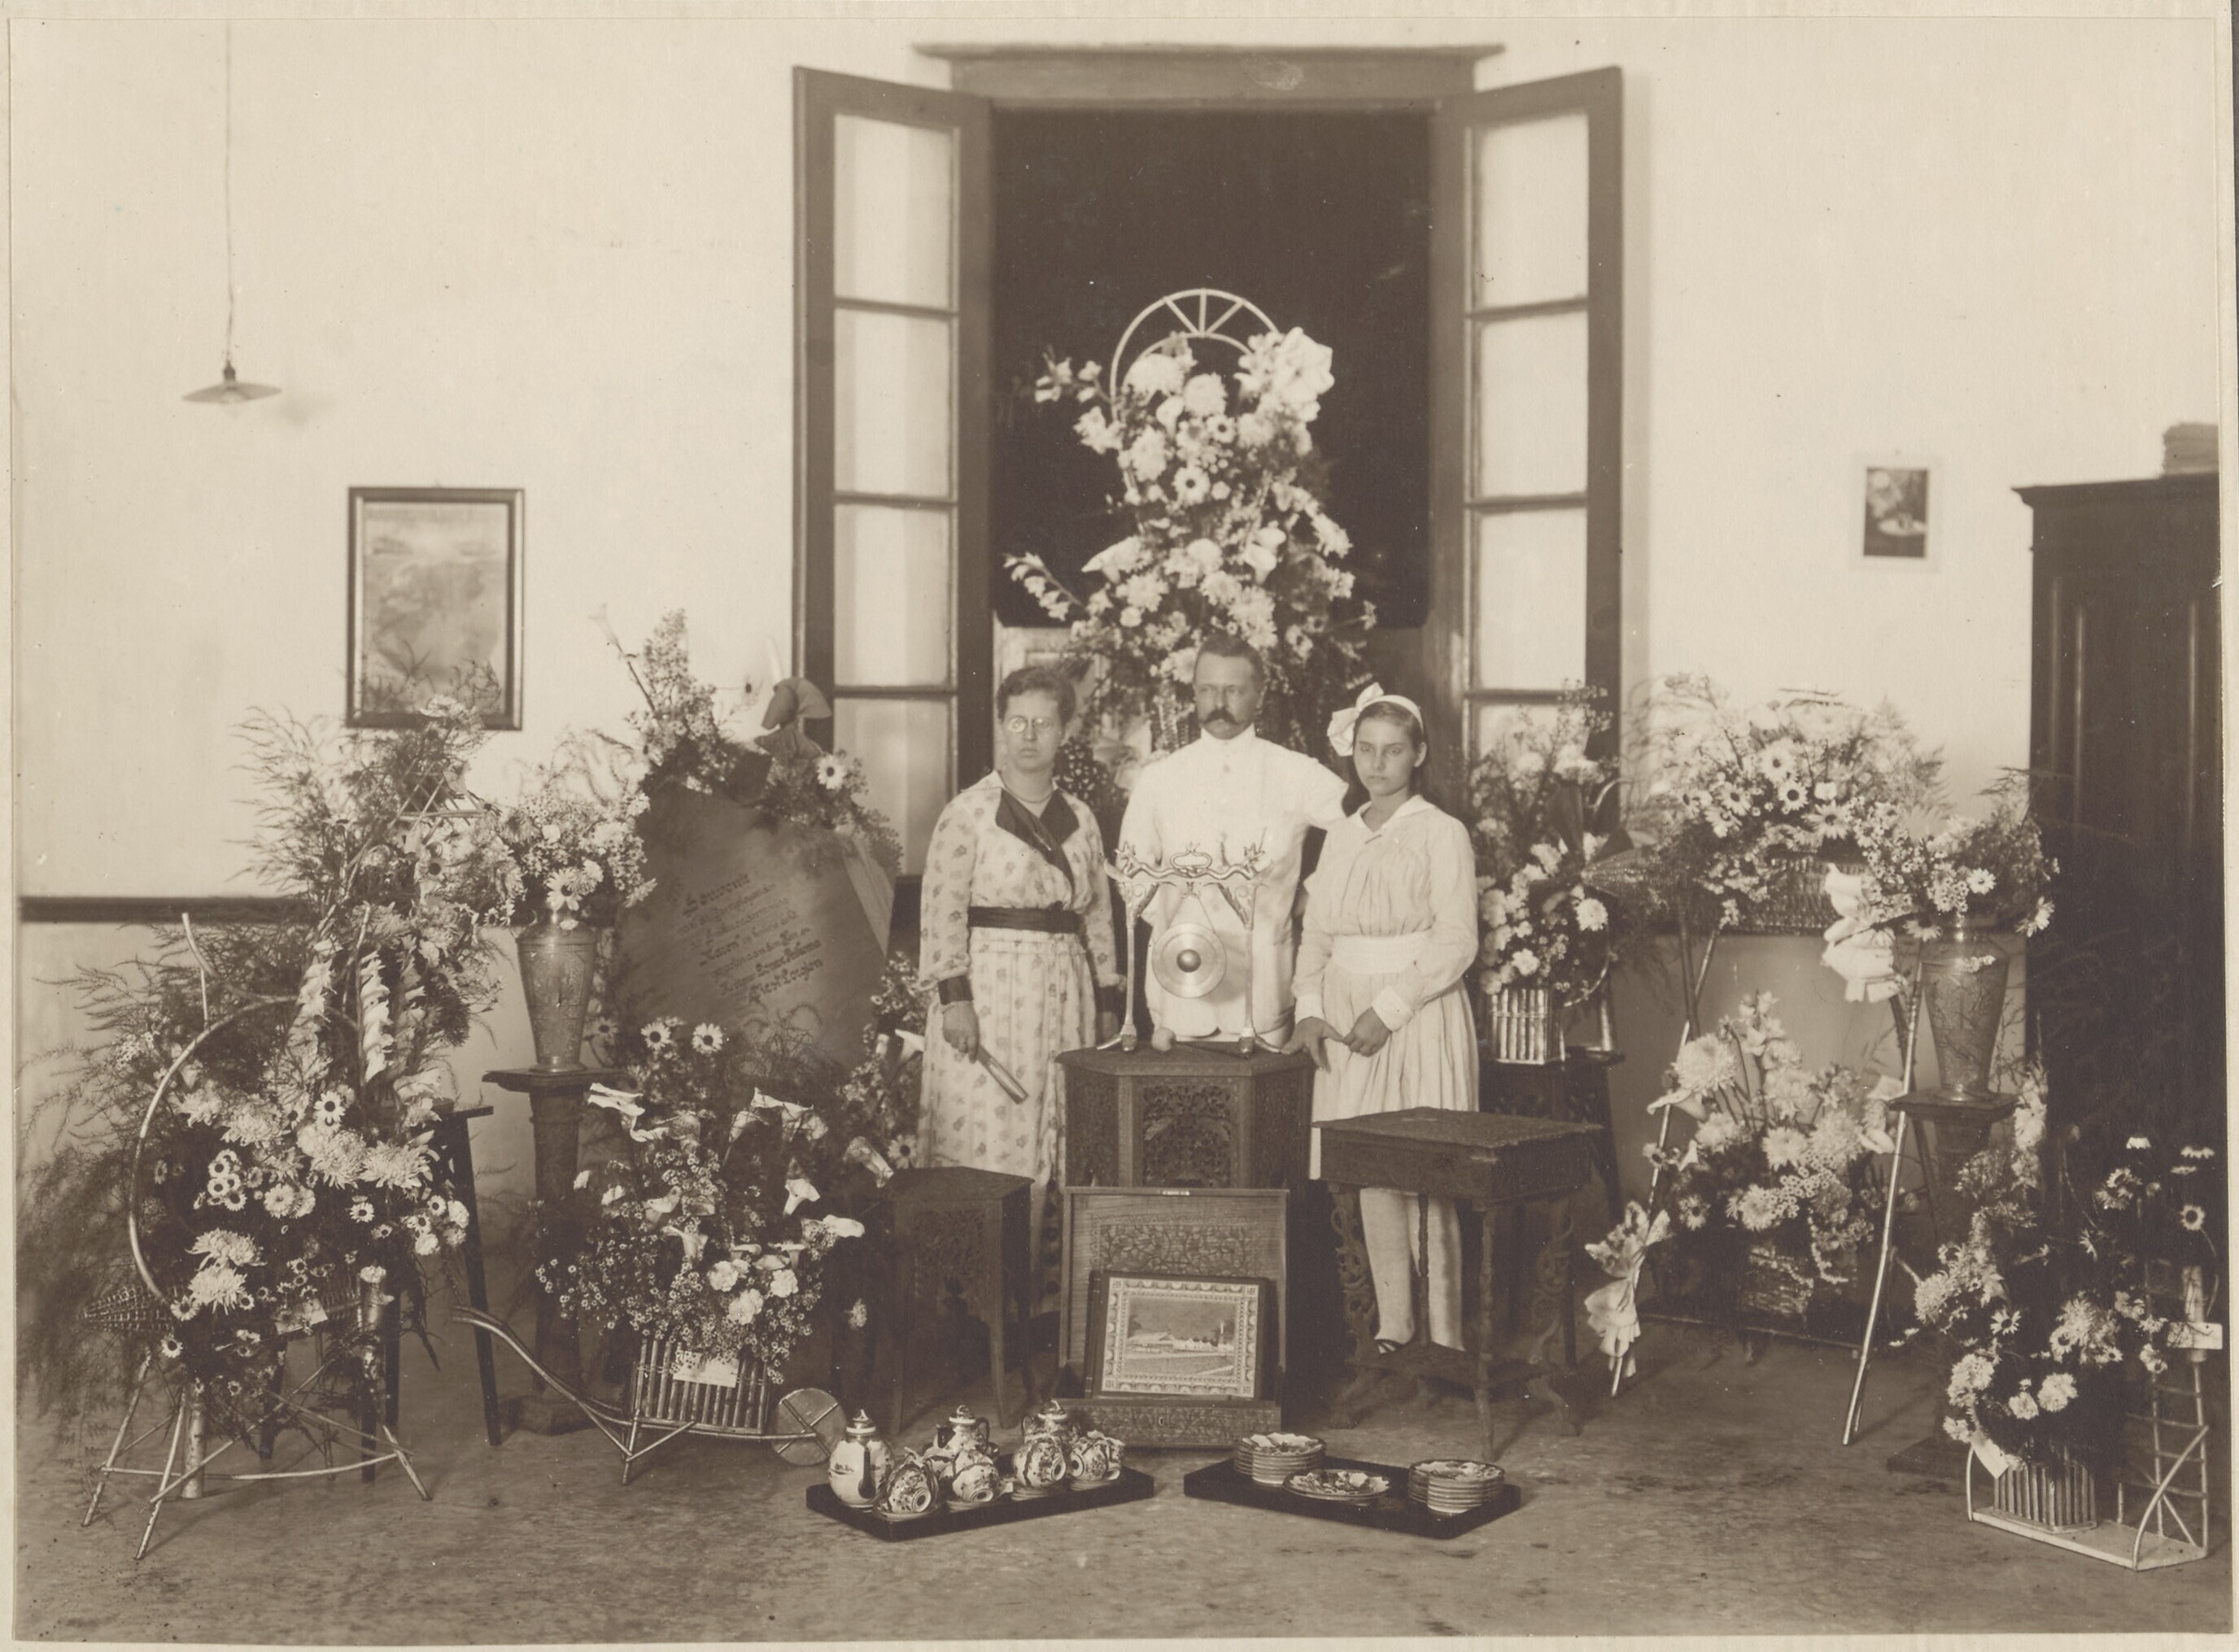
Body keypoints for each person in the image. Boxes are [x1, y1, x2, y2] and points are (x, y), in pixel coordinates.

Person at [917, 665, 1124, 1307]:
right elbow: (942, 908)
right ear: (1001, 727)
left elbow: (1097, 915)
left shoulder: (1080, 817)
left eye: (1043, 723)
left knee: (1057, 1140)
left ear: (1064, 732)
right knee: (986, 1142)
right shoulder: (968, 813)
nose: (1029, 735)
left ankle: (1044, 1305)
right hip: (987, 995)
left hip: (1065, 993)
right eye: (1017, 722)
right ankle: (972, 1306)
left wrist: (1109, 999)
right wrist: (955, 1001)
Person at [1285, 687, 1480, 1351]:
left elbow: (1456, 940)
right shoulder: (1341, 835)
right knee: (1371, 1170)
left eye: (1393, 751)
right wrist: (1310, 1011)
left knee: (1425, 1178)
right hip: (1345, 1015)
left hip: (1417, 1011)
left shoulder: (1441, 832)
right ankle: (1395, 1327)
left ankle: (1447, 1337)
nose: (1377, 763)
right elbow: (1316, 934)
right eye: (1366, 750)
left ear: (1418, 754)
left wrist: (1389, 1009)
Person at [1117, 633, 1348, 1042]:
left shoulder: (1295, 772)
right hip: (1179, 993)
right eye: (1208, 690)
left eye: (1234, 691)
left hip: (1263, 990)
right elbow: (1130, 872)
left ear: (1260, 694)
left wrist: (1311, 896)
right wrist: (1180, 926)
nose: (1219, 703)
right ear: (1193, 693)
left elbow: (1362, 829)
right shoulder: (1159, 778)